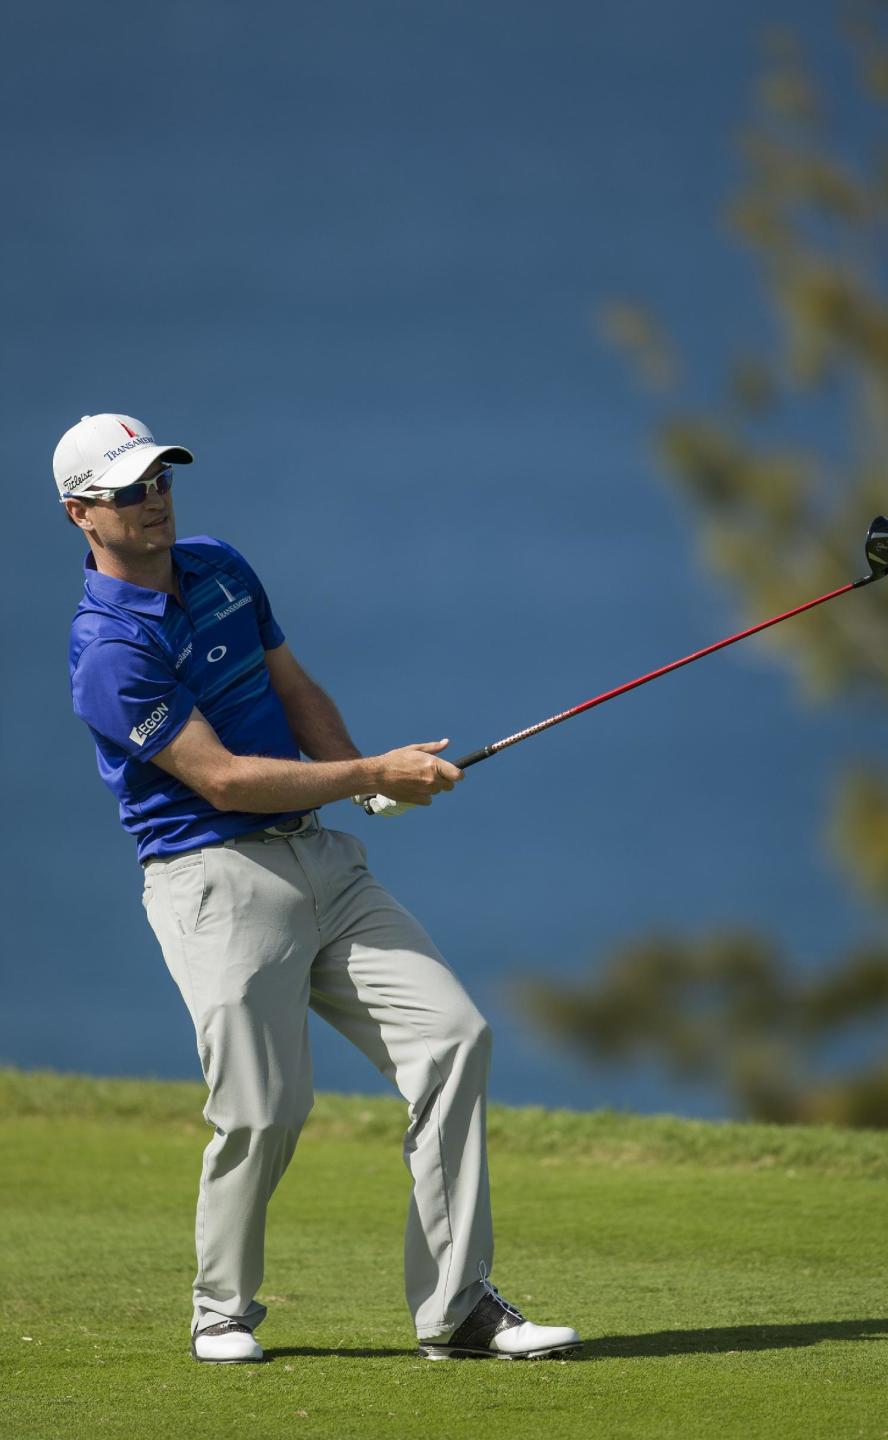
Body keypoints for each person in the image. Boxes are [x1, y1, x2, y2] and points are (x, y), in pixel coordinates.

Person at [57, 413, 581, 1364]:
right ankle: (221, 1311)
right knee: (263, 1110)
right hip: (212, 884)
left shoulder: (219, 565)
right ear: (82, 514)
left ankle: (457, 1309)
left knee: (454, 1038)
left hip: (323, 861)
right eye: (131, 490)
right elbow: (220, 778)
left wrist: (357, 777)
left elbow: (291, 685)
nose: (156, 501)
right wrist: (373, 774)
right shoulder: (107, 653)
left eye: (162, 480)